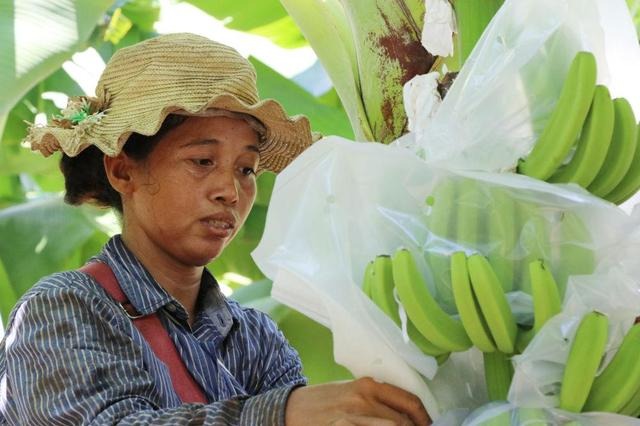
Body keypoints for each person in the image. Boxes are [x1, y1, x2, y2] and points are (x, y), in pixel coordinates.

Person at [0, 33, 431, 425]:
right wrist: (283, 413)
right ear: (122, 171)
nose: (231, 190)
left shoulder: (256, 339)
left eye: (246, 169)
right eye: (202, 161)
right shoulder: (63, 309)